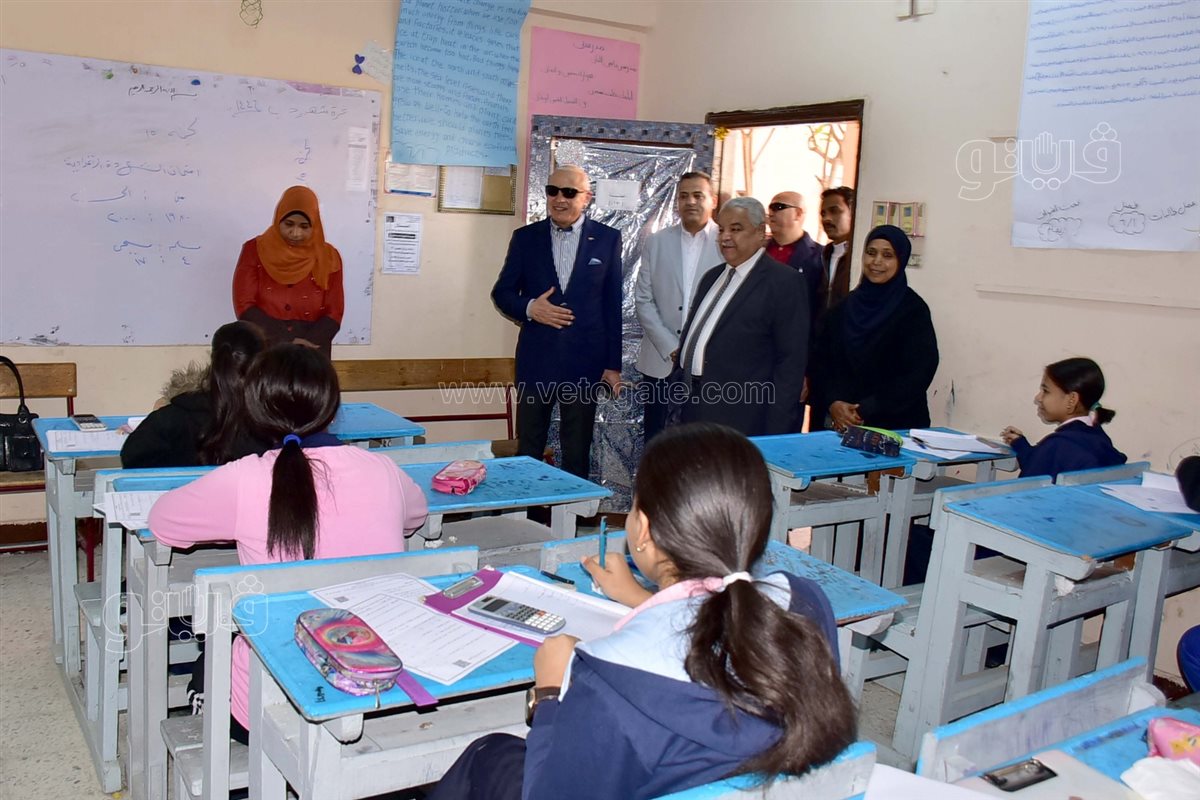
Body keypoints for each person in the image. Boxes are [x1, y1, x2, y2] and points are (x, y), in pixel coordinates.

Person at [427, 423, 857, 800]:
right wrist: (640, 599)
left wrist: (550, 694)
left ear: (644, 530)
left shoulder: (612, 678)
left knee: (489, 755)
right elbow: (717, 622)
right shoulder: (804, 605)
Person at [147, 344, 428, 740]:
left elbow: (162, 521)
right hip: (376, 680)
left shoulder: (244, 478)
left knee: (212, 654)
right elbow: (417, 517)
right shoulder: (382, 469)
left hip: (271, 703)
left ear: (252, 408)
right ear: (332, 407)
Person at [491, 165, 623, 479]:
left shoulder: (608, 239)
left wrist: (612, 365)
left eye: (569, 192)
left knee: (576, 451)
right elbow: (502, 293)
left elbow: (611, 305)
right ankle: (529, 509)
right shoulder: (525, 238)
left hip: (585, 364)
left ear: (586, 197)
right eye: (552, 191)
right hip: (537, 361)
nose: (559, 199)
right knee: (529, 450)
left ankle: (573, 508)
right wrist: (530, 308)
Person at [673, 197, 810, 436]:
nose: (725, 237)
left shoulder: (784, 282)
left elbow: (790, 364)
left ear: (760, 232)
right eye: (721, 230)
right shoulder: (711, 277)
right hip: (691, 408)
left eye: (736, 229)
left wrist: (777, 432)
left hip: (741, 419)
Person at [809, 224, 938, 432]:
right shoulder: (842, 310)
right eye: (871, 253)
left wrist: (866, 409)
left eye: (887, 255)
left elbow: (919, 372)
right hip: (839, 422)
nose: (877, 261)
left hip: (894, 426)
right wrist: (833, 402)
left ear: (901, 260)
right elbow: (820, 364)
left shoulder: (913, 311)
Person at [634, 171, 721, 444]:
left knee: (701, 444)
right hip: (661, 361)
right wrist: (672, 347)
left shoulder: (726, 242)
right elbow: (643, 299)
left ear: (713, 200)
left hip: (708, 365)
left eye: (698, 195)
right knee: (657, 441)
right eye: (684, 196)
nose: (690, 201)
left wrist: (695, 348)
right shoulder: (656, 241)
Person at [121, 321, 269, 468]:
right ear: (264, 364)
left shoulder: (172, 417)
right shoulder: (272, 423)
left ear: (213, 359)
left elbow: (131, 457)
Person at [233, 185, 344, 357]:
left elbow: (335, 311)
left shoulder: (329, 256)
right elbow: (244, 304)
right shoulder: (254, 250)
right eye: (289, 224)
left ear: (315, 226)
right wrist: (286, 339)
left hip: (313, 348)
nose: (295, 233)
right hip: (266, 342)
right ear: (278, 220)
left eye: (304, 226)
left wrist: (307, 343)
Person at [999, 357, 1127, 479]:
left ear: (1071, 400)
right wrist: (1020, 444)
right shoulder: (1097, 436)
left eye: (1046, 391)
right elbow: (1045, 465)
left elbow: (1029, 485)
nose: (1038, 398)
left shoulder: (1058, 445)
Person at [766, 190, 824, 315]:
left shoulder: (820, 257)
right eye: (770, 208)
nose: (771, 213)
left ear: (798, 214)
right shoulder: (757, 251)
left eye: (778, 207)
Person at [818, 187, 856, 313]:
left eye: (834, 211)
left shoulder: (860, 258)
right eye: (823, 214)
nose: (826, 219)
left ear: (853, 212)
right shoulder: (821, 256)